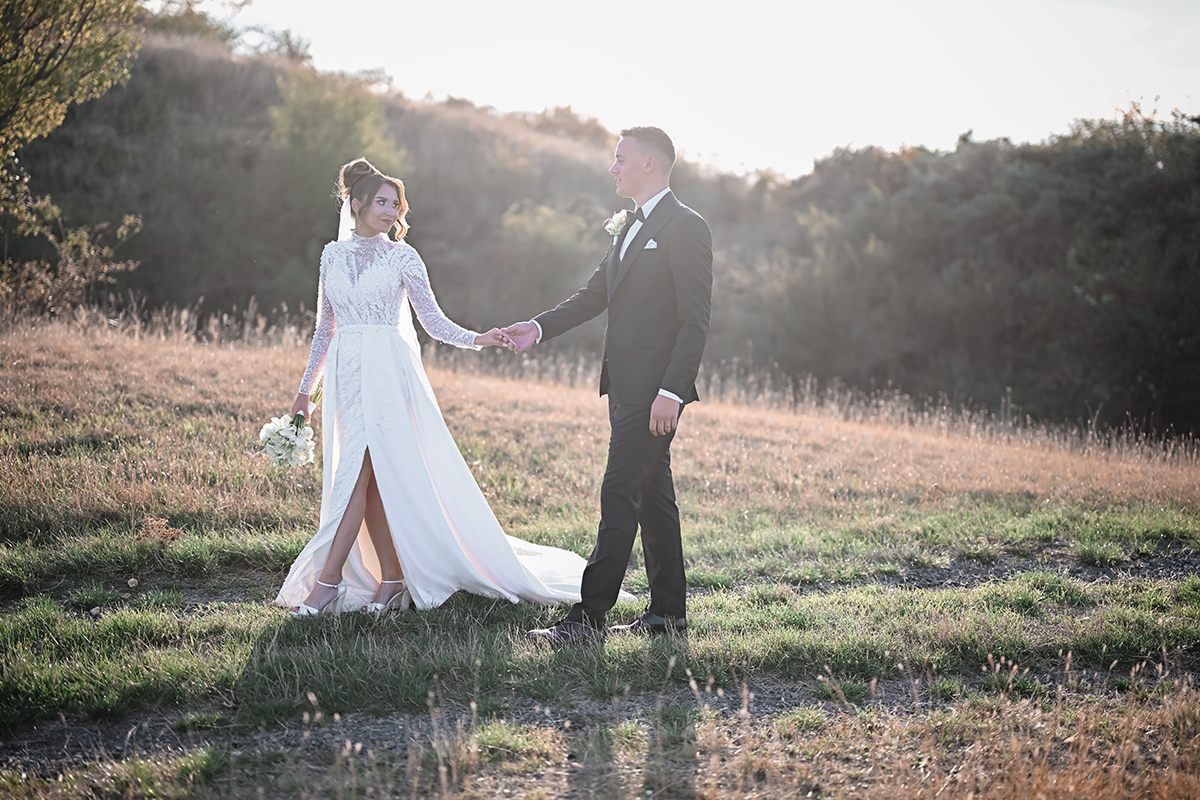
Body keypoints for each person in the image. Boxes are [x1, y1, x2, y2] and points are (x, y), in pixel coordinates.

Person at [275, 157, 589, 617]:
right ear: (355, 204)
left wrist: (479, 338)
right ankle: (392, 580)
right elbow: (326, 328)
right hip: (347, 376)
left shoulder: (403, 257)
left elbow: (433, 322)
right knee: (371, 482)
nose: (391, 211)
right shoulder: (331, 256)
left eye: (395, 204)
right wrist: (306, 390)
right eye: (382, 202)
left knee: (357, 473)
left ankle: (326, 584)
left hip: (387, 373)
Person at [504, 127, 713, 644]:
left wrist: (672, 392)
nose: (612, 168)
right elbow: (593, 295)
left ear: (650, 164)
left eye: (621, 159)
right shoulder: (627, 226)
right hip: (621, 386)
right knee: (654, 498)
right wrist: (538, 327)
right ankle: (668, 616)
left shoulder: (687, 226)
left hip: (654, 393)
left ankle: (588, 620)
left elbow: (695, 322)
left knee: (619, 493)